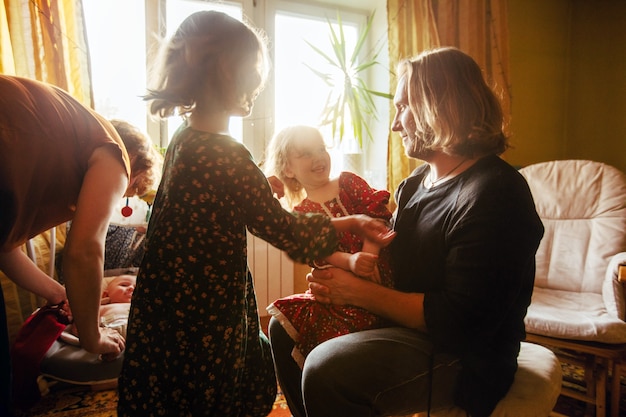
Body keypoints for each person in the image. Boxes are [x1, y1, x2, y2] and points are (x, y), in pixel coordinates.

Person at [116, 11, 395, 417]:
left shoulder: (185, 140)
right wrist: (351, 222)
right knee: (218, 390)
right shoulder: (227, 154)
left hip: (165, 297)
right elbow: (284, 229)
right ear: (233, 75)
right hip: (207, 305)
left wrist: (256, 183)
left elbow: (215, 197)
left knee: (171, 389)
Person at [269, 47, 545, 417]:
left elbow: (458, 322)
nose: (396, 124)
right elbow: (392, 263)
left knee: (327, 368)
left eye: (403, 108)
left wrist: (357, 291)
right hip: (408, 328)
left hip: (465, 356)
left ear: (441, 105)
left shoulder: (497, 193)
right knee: (282, 328)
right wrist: (337, 281)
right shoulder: (416, 183)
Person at [0, 76, 161, 414]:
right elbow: (85, 249)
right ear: (133, 170)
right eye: (127, 193)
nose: (121, 198)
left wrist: (58, 294)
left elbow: (5, 247)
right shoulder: (114, 153)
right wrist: (93, 337)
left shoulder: (65, 137)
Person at [263, 125, 394, 367]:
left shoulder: (348, 182)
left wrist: (368, 256)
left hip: (378, 271)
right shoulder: (302, 212)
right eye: (305, 153)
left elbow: (376, 219)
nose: (318, 157)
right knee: (290, 324)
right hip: (341, 280)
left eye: (320, 149)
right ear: (287, 169)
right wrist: (352, 263)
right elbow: (322, 254)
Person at [65, 274, 136, 342]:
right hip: (110, 335)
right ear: (106, 294)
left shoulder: (140, 308)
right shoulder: (103, 307)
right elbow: (84, 318)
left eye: (136, 288)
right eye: (124, 285)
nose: (131, 288)